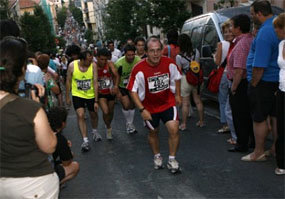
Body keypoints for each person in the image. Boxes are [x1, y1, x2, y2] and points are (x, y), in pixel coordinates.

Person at [0, 37, 59, 198]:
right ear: (22, 70)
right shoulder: (30, 109)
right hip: (33, 184)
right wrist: (37, 107)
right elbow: (49, 146)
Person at [127, 36, 182, 174]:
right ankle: (157, 156)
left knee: (174, 129)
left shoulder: (169, 63)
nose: (156, 54)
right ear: (146, 52)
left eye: (158, 50)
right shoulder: (138, 69)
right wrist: (142, 109)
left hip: (167, 103)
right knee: (153, 132)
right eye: (152, 51)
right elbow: (132, 91)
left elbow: (177, 77)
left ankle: (172, 159)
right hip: (149, 108)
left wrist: (177, 95)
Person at [243, 0, 280, 161]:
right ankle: (275, 148)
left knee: (259, 118)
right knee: (276, 117)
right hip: (277, 80)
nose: (252, 18)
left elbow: (259, 65)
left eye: (252, 14)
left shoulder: (265, 31)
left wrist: (253, 83)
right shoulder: (278, 23)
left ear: (259, 13)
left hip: (263, 81)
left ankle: (258, 152)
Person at [226, 14, 254, 153]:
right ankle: (250, 141)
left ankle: (242, 144)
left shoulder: (242, 43)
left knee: (239, 116)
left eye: (232, 26)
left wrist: (234, 87)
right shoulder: (249, 39)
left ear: (238, 27)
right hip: (246, 82)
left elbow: (239, 70)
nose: (230, 29)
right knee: (247, 115)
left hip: (240, 83)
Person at [66, 50, 100, 152]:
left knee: (93, 114)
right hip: (77, 94)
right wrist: (67, 96)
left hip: (90, 94)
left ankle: (94, 131)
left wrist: (96, 101)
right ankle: (85, 140)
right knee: (80, 115)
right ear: (82, 59)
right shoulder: (72, 66)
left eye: (91, 60)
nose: (90, 62)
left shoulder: (93, 66)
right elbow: (68, 81)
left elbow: (95, 82)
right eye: (88, 60)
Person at [176, 34, 204, 130]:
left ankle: (183, 124)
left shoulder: (179, 57)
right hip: (196, 79)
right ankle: (201, 121)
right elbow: (197, 64)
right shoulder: (196, 52)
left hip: (185, 80)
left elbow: (179, 70)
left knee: (185, 103)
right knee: (198, 101)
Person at [47, 107, 80, 184]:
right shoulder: (60, 139)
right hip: (45, 172)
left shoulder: (42, 131)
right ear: (63, 123)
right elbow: (66, 163)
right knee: (75, 166)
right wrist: (68, 150)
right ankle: (55, 185)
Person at [214, 20, 235, 138]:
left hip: (224, 74)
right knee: (230, 100)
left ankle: (225, 124)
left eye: (228, 31)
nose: (227, 34)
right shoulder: (234, 43)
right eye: (225, 32)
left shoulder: (221, 44)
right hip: (232, 74)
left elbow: (217, 61)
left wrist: (214, 56)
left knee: (222, 100)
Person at [115, 44, 141, 134]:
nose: (131, 57)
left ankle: (130, 124)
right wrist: (117, 90)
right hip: (122, 86)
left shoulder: (138, 61)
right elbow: (115, 77)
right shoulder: (119, 63)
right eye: (129, 55)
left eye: (132, 55)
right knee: (126, 105)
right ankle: (128, 123)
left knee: (133, 105)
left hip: (133, 86)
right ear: (124, 54)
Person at [96, 48, 119, 140]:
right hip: (101, 93)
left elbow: (116, 75)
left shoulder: (109, 64)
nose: (104, 61)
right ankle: (108, 128)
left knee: (111, 111)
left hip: (110, 91)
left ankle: (108, 123)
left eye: (105, 59)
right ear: (97, 58)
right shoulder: (93, 66)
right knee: (105, 111)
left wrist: (116, 86)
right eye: (101, 59)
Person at [273, 13, 285, 175]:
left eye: (277, 28)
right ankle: (282, 163)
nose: (275, 31)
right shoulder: (281, 44)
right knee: (282, 127)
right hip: (282, 90)